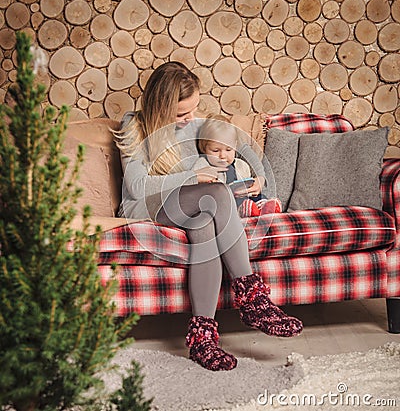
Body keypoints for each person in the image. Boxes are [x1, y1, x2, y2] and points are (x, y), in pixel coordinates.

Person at [114, 61, 303, 372]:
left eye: (193, 109)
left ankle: (203, 337)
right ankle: (252, 297)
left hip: (189, 205)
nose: (190, 120)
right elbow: (136, 187)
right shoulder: (133, 125)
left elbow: (237, 143)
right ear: (160, 107)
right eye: (180, 114)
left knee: (204, 222)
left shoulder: (193, 124)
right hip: (147, 206)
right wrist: (193, 176)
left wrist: (258, 176)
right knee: (216, 193)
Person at [193, 114, 282, 217]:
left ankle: (264, 207)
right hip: (222, 203)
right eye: (215, 151)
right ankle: (245, 209)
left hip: (244, 197)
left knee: (259, 197)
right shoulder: (202, 164)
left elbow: (250, 184)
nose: (223, 156)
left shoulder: (241, 165)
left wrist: (251, 186)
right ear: (204, 149)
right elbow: (194, 184)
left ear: (235, 147)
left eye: (228, 149)